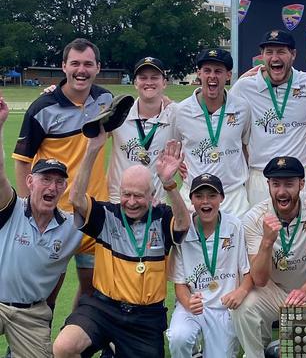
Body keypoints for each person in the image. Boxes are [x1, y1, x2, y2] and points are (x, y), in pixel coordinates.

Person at [52, 132, 190, 357]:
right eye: (126, 194)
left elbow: (183, 224)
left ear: (152, 194)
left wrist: (169, 184)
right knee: (63, 347)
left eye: (138, 196)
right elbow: (76, 199)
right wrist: (92, 150)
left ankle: (114, 349)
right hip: (103, 308)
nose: (132, 202)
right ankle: (111, 346)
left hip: (146, 317)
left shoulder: (162, 217)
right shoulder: (106, 215)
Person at [12, 38, 113, 303]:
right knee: (44, 296)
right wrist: (28, 212)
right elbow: (22, 161)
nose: (82, 70)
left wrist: (168, 104)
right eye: (75, 63)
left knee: (91, 293)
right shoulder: (42, 107)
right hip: (53, 216)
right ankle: (31, 345)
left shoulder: (106, 99)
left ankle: (74, 344)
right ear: (63, 66)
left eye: (88, 64)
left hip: (93, 212)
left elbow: (141, 111)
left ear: (98, 67)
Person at [0, 97, 82, 357]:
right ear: (30, 181)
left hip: (32, 314)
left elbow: (59, 272)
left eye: (59, 182)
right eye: (45, 179)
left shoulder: (72, 228)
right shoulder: (11, 208)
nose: (52, 187)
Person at [232, 156, 306, 358]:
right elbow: (259, 279)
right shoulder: (254, 218)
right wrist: (267, 242)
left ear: (302, 184)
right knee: (243, 308)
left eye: (289, 184)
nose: (282, 191)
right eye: (276, 184)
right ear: (268, 185)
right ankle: (256, 355)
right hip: (272, 290)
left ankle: (280, 347)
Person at [229, 29, 306, 205]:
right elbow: (221, 119)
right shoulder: (244, 87)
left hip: (300, 177)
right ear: (262, 55)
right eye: (269, 52)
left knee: (304, 232)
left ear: (293, 54)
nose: (275, 58)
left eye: (281, 52)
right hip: (261, 178)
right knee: (261, 232)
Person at [166, 173, 252, 358]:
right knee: (179, 338)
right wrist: (189, 302)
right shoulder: (183, 230)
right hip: (193, 306)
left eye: (212, 196)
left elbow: (247, 272)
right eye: (199, 196)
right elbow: (179, 284)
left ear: (222, 197)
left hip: (223, 308)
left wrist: (241, 292)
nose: (206, 202)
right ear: (191, 200)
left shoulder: (235, 226)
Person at [173, 48, 252, 217]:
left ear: (228, 75)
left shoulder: (242, 108)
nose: (212, 76)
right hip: (193, 195)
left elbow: (245, 146)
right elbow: (174, 147)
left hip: (233, 195)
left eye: (218, 71)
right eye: (207, 71)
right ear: (198, 73)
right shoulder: (181, 111)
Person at [107, 56, 175, 203]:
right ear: (135, 83)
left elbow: (201, 109)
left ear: (164, 82)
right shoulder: (118, 113)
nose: (149, 82)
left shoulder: (175, 115)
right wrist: (55, 92)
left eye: (154, 78)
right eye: (143, 78)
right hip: (119, 202)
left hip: (156, 205)